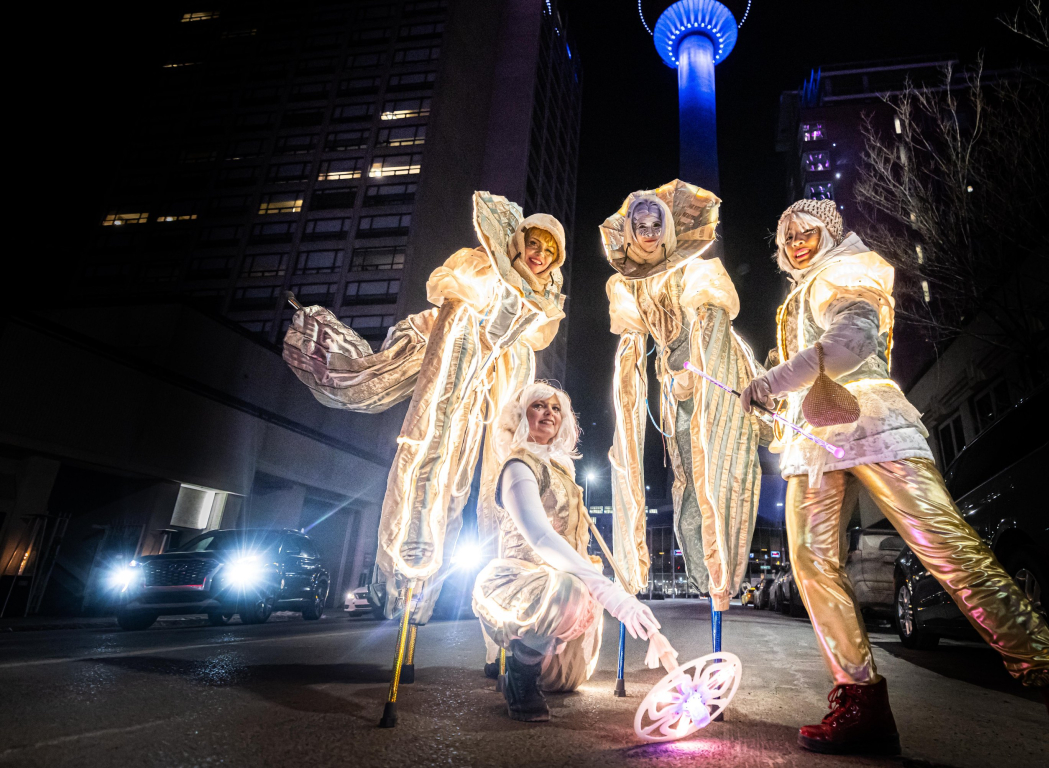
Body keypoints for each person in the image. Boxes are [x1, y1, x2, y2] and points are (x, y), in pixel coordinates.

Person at [741, 198, 1049, 766]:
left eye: (809, 230)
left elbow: (851, 346)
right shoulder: (798, 298)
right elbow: (806, 378)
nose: (797, 241)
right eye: (787, 235)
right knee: (811, 565)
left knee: (950, 549)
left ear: (831, 235)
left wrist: (773, 381)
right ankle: (860, 701)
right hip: (814, 446)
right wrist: (770, 394)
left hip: (877, 424)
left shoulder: (848, 271)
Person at [283, 192, 567, 627]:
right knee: (432, 464)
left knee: (498, 480)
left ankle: (502, 613)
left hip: (489, 391)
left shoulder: (541, 301)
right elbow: (456, 318)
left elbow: (518, 356)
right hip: (453, 366)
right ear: (519, 242)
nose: (540, 255)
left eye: (550, 251)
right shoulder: (482, 269)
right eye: (535, 243)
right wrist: (458, 365)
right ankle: (407, 579)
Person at [600, 179, 766, 612]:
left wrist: (694, 368)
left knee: (719, 464)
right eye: (641, 223)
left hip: (712, 368)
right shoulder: (628, 286)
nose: (650, 229)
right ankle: (702, 568)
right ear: (630, 231)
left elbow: (710, 321)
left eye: (658, 222)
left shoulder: (694, 269)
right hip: (674, 380)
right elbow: (632, 343)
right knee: (688, 473)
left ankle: (721, 573)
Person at [472, 382, 662, 722]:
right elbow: (542, 538)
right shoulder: (518, 466)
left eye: (555, 408)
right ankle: (519, 672)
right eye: (538, 406)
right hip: (525, 583)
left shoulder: (562, 470)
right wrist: (611, 595)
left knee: (566, 682)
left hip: (563, 582)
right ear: (520, 415)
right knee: (569, 589)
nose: (548, 412)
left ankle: (539, 655)